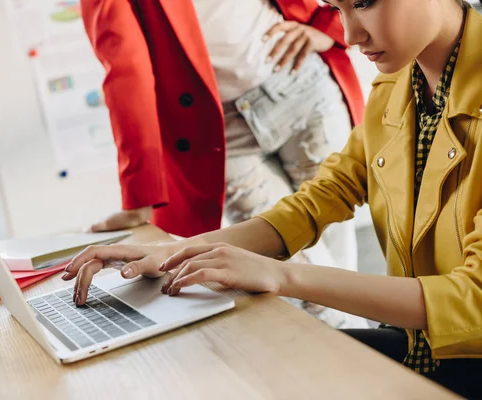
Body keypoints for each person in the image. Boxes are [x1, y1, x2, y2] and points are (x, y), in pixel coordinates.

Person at [66, 0, 482, 396]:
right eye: (336, 9)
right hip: (421, 348)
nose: (350, 35)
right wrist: (174, 252)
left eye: (365, 3)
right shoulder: (398, 82)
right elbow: (320, 198)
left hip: (467, 362)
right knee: (234, 367)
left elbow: (473, 303)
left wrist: (282, 276)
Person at [81, 0, 366, 328]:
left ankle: (366, 353)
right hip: (220, 136)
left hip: (301, 90)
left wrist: (330, 27)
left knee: (336, 245)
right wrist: (139, 197)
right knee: (290, 260)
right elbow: (127, 73)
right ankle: (363, 356)